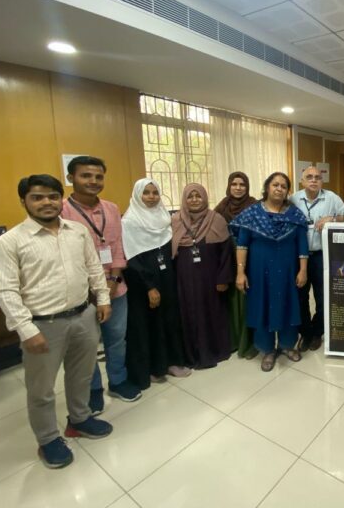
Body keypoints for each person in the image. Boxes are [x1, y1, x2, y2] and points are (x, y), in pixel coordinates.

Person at [0, 174, 113, 469]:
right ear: (23, 201)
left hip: (83, 316)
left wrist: (103, 298)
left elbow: (93, 267)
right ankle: (47, 439)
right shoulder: (8, 242)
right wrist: (26, 329)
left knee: (82, 375)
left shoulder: (78, 231)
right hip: (42, 325)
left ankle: (79, 419)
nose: (46, 202)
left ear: (61, 199)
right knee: (42, 389)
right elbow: (6, 291)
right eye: (37, 197)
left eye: (53, 196)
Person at [61, 156, 141, 413]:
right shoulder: (61, 211)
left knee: (116, 339)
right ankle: (93, 389)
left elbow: (117, 247)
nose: (93, 181)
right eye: (85, 175)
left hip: (115, 286)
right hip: (80, 293)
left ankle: (118, 381)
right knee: (86, 345)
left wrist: (113, 280)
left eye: (98, 176)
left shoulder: (111, 208)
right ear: (71, 178)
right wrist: (93, 289)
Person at [231, 172, 308, 372]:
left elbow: (302, 245)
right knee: (262, 306)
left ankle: (287, 345)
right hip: (259, 272)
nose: (279, 189)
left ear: (287, 191)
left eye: (283, 186)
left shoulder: (295, 215)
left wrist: (303, 270)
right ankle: (267, 350)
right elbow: (242, 245)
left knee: (288, 305)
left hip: (287, 272)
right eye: (275, 185)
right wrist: (240, 272)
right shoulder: (251, 214)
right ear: (267, 187)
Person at [122, 179, 191, 388]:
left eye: (155, 192)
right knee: (150, 323)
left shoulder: (164, 218)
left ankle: (173, 361)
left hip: (166, 277)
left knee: (170, 318)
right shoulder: (130, 222)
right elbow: (131, 258)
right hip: (144, 282)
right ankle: (155, 367)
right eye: (146, 193)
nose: (151, 197)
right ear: (137, 195)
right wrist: (149, 287)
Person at [289, 166, 344, 352]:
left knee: (323, 296)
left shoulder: (331, 197)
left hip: (322, 255)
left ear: (322, 181)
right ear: (302, 181)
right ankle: (305, 333)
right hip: (298, 257)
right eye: (309, 177)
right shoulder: (293, 199)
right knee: (300, 297)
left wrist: (332, 219)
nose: (313, 180)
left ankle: (317, 332)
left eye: (317, 177)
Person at [172, 183, 233, 369]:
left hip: (211, 279)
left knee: (211, 313)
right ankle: (191, 354)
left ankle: (214, 351)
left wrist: (223, 279)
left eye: (198, 196)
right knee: (188, 314)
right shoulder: (175, 221)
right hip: (184, 279)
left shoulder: (217, 220)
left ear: (205, 198)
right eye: (190, 196)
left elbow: (226, 253)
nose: (194, 200)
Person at [214, 172, 258, 358]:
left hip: (251, 256)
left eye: (242, 184)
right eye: (234, 184)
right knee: (232, 300)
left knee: (249, 298)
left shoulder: (255, 206)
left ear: (247, 187)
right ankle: (234, 340)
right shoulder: (222, 206)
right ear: (229, 186)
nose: (238, 188)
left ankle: (252, 342)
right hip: (227, 257)